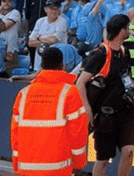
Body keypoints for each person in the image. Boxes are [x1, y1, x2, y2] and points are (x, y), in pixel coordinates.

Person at [77, 14, 134, 176]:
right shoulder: (100, 54)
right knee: (103, 160)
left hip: (125, 112)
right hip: (105, 115)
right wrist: (87, 109)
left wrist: (133, 89)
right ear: (122, 30)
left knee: (129, 151)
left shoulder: (124, 52)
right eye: (127, 28)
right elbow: (80, 83)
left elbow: (126, 77)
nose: (129, 31)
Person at [11, 47, 88, 176]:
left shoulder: (24, 94)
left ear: (41, 66)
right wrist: (79, 163)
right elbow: (77, 132)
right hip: (59, 168)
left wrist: (16, 162)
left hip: (27, 166)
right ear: (62, 66)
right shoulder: (70, 92)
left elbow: (15, 133)